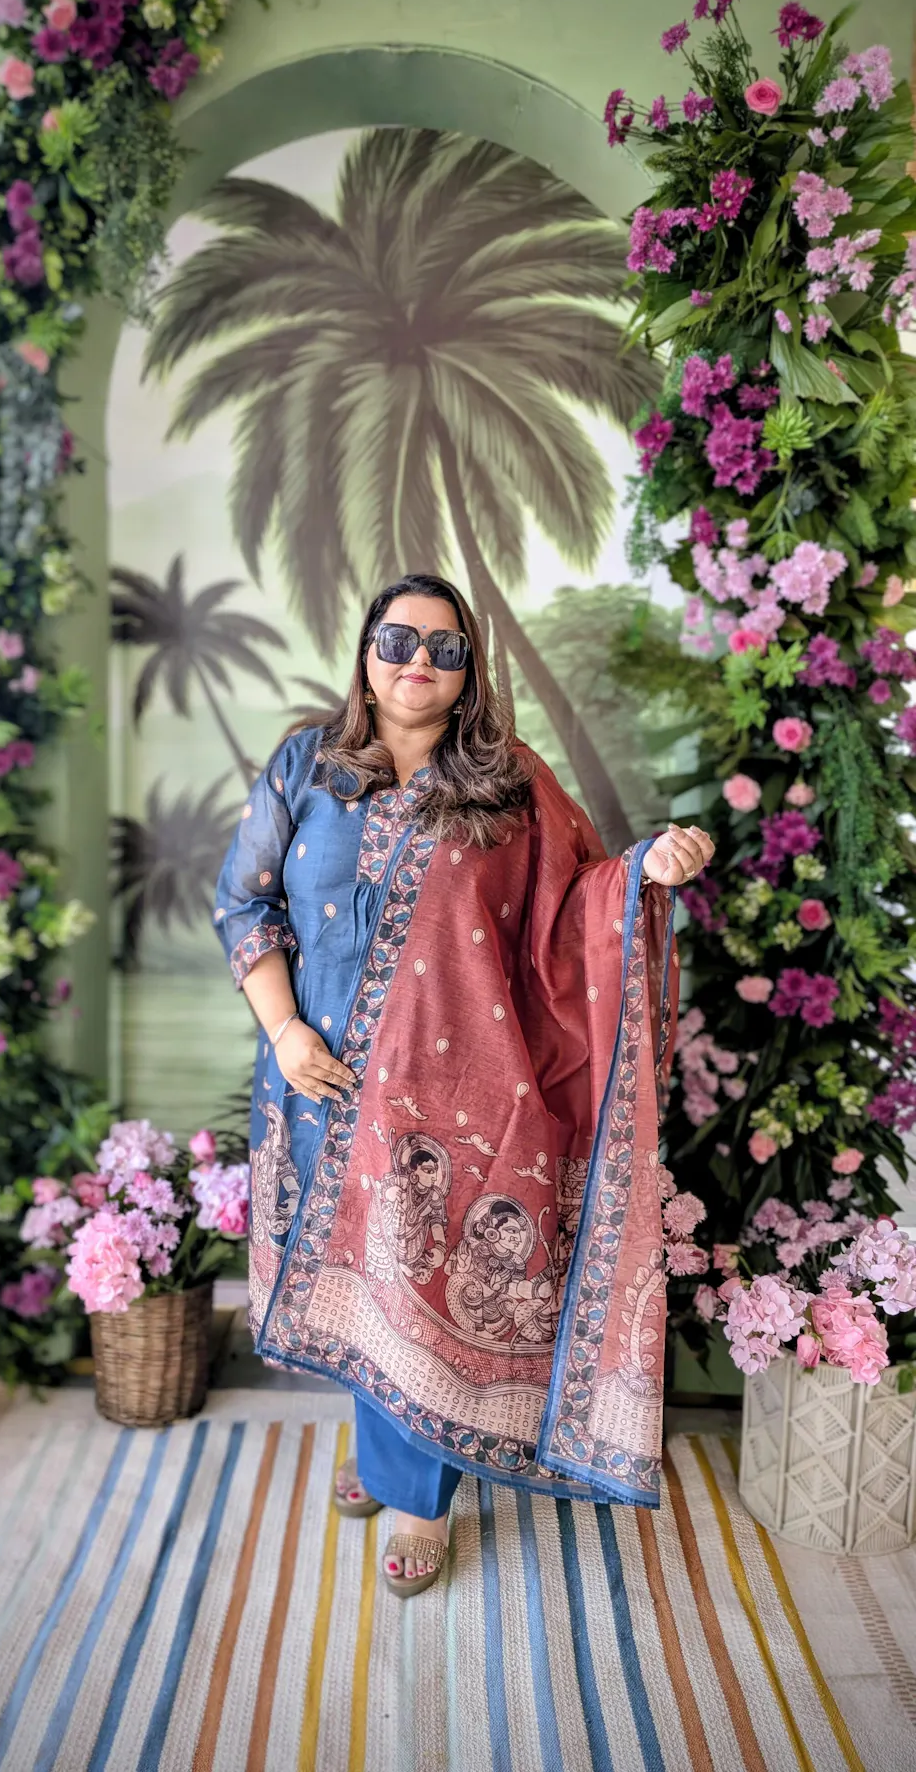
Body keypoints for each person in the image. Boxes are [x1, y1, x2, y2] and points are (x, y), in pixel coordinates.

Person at [213, 573, 713, 1597]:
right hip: (311, 1080)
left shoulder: (506, 781)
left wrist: (647, 873)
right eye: (398, 640)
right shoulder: (306, 764)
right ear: (365, 654)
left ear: (469, 671)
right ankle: (386, 1448)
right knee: (351, 1282)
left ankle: (417, 1500)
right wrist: (285, 1030)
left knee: (412, 1283)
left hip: (442, 1103)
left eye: (445, 648)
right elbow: (244, 903)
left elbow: (579, 900)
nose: (418, 662)